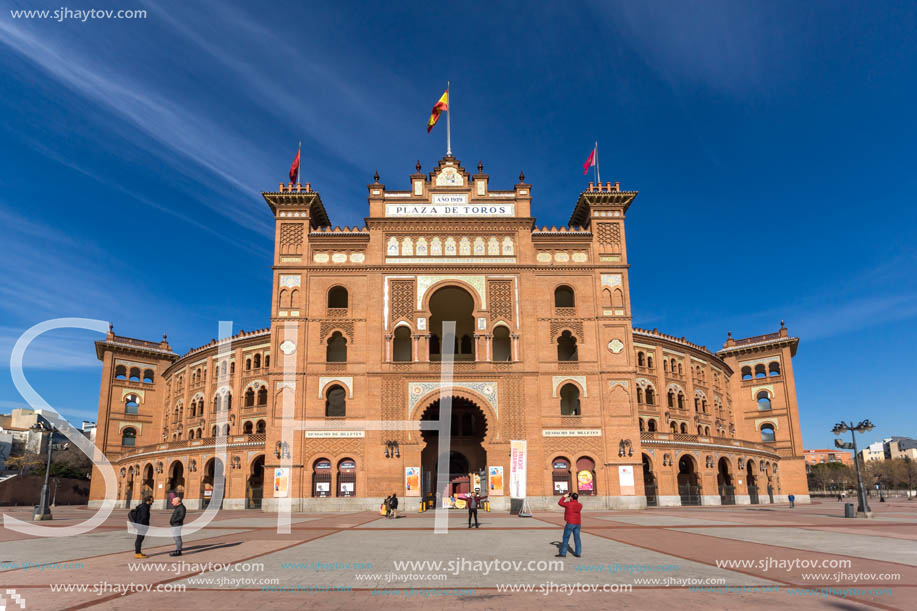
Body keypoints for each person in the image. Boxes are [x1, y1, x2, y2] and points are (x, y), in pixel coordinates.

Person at [556, 492, 582, 558]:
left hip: (570, 523)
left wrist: (564, 496)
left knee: (566, 538)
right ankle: (578, 553)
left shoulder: (568, 504)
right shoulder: (580, 505)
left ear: (571, 497)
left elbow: (560, 503)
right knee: (577, 538)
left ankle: (563, 553)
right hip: (578, 523)